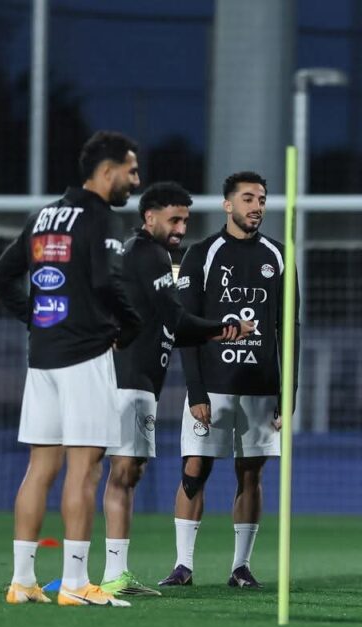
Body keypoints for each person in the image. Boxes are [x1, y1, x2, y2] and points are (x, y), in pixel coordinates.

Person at [0, 130, 143, 607]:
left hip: (43, 358)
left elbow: (0, 276)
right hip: (85, 357)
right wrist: (131, 323)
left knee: (40, 469)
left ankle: (22, 582)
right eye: (131, 171)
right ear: (107, 171)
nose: (136, 181)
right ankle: (75, 584)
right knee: (85, 470)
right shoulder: (101, 217)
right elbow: (106, 282)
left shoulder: (44, 216)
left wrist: (35, 318)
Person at [100, 181, 254, 598]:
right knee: (123, 472)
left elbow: (171, 326)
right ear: (149, 217)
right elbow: (178, 318)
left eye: (186, 220)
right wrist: (226, 328)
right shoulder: (148, 253)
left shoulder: (139, 254)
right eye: (174, 219)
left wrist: (214, 331)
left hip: (133, 380)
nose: (181, 228)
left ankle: (106, 572)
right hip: (129, 380)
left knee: (124, 471)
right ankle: (109, 574)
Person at [158, 171, 298, 589]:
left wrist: (288, 392)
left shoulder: (279, 255)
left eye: (262, 199)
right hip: (213, 386)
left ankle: (240, 567)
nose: (257, 206)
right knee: (194, 469)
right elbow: (185, 327)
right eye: (248, 198)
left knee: (251, 474)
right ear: (228, 205)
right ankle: (183, 566)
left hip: (260, 388)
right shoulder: (202, 254)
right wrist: (195, 391)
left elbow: (290, 329)